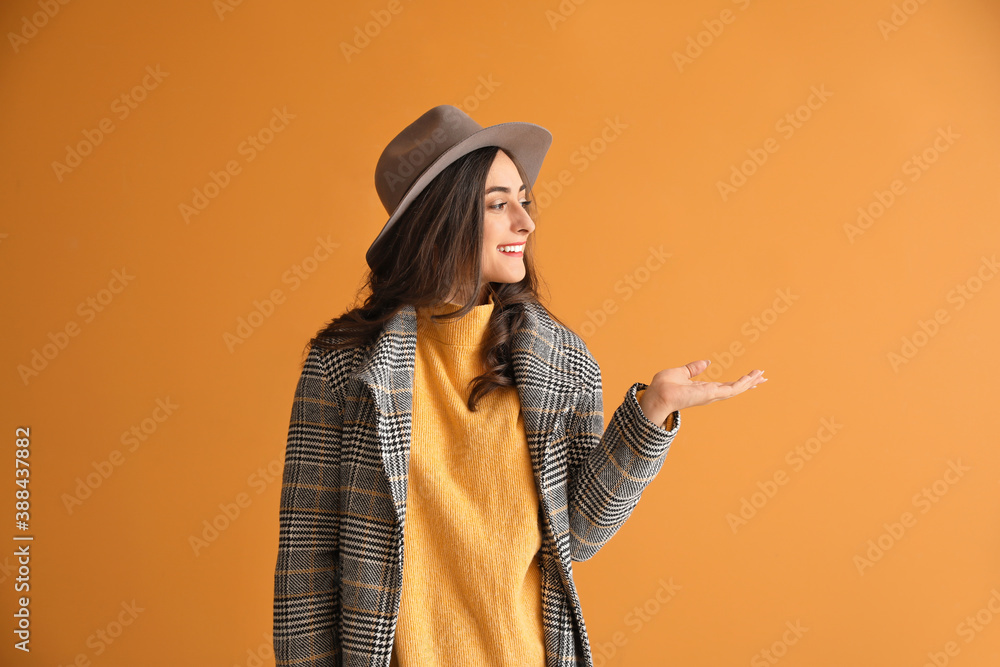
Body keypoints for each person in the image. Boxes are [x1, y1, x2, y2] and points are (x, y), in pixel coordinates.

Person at [272, 104, 768, 667]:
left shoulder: (561, 362)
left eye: (523, 200)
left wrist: (651, 414)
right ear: (443, 218)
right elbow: (306, 562)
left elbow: (573, 536)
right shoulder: (346, 364)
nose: (526, 223)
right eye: (498, 204)